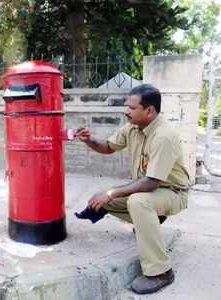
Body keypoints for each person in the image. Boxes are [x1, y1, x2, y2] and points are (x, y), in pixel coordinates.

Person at [75, 84, 190, 294]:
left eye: (132, 107)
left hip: (173, 193)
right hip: (150, 191)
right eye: (127, 106)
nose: (126, 111)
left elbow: (151, 182)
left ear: (150, 110)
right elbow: (108, 147)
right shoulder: (133, 128)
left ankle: (160, 271)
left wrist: (111, 193)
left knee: (137, 201)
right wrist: (89, 140)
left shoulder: (163, 136)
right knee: (98, 200)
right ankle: (153, 219)